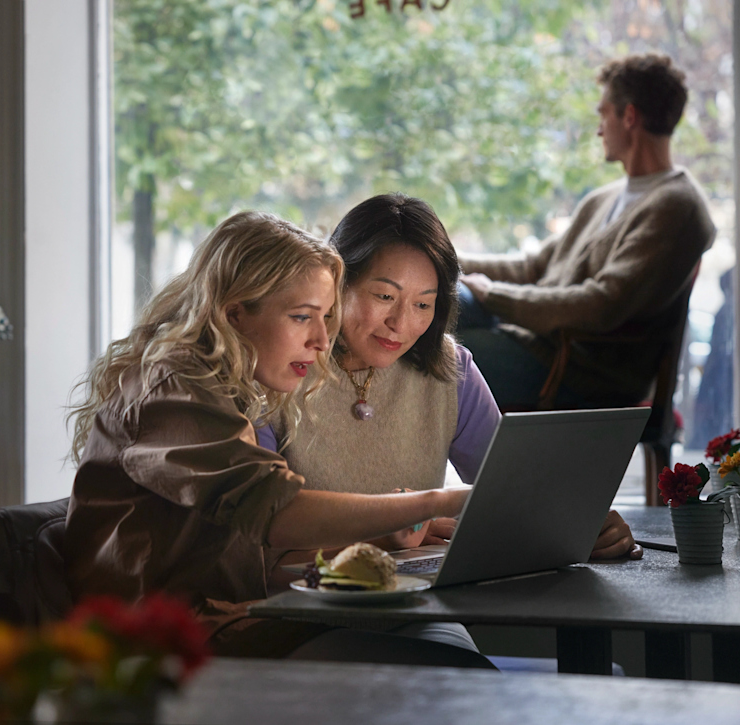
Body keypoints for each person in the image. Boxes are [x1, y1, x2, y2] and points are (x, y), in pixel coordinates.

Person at [63, 210, 476, 659]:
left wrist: (381, 545)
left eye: (325, 318)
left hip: (238, 619)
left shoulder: (226, 388)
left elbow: (256, 561)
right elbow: (277, 513)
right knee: (439, 669)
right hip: (169, 646)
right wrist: (440, 501)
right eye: (303, 317)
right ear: (235, 314)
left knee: (444, 662)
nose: (322, 340)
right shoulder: (172, 390)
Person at [273, 194, 640, 582]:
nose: (401, 322)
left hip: (419, 602)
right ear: (337, 279)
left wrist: (585, 524)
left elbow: (512, 492)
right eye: (385, 296)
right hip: (301, 604)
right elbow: (258, 546)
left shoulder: (450, 370)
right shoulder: (280, 366)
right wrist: (386, 539)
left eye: (423, 305)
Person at [457, 53, 715, 410]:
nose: (598, 128)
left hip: (578, 373)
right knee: (440, 294)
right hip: (535, 344)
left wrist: (494, 296)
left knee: (430, 351)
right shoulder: (605, 198)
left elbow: (602, 304)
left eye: (603, 113)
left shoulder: (677, 207)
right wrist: (442, 257)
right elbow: (533, 267)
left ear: (629, 117)